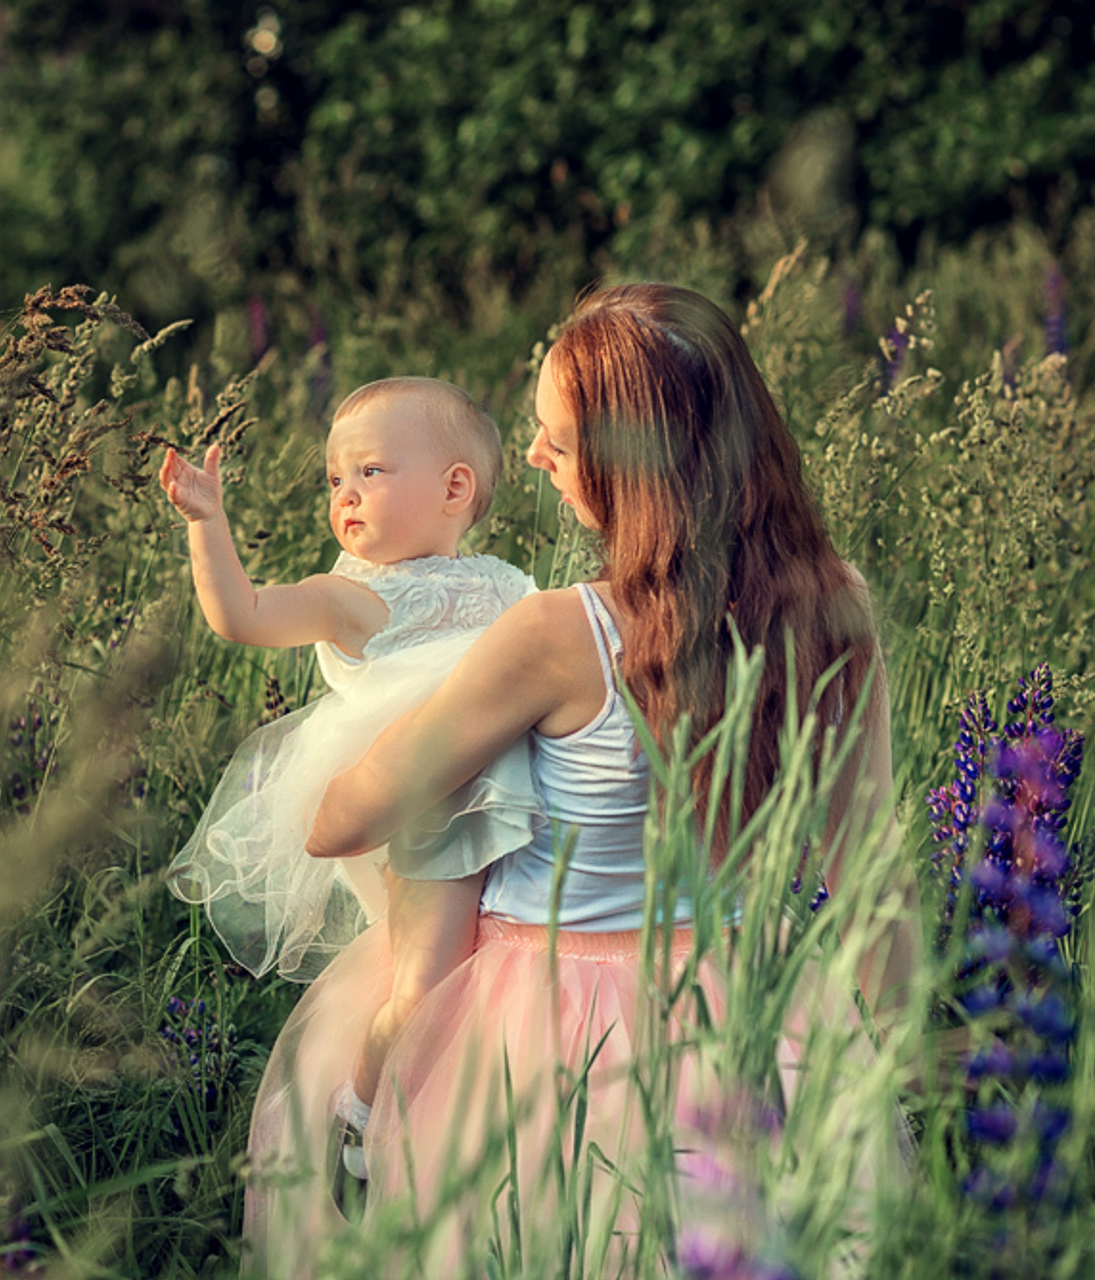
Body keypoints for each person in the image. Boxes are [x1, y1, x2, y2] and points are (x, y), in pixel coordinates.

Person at [247, 285, 917, 1276]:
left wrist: (392, 705)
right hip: (750, 1008)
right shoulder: (835, 602)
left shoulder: (560, 632)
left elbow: (342, 819)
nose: (531, 460)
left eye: (555, 442)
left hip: (542, 1032)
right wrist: (892, 1075)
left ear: (630, 460)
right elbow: (867, 867)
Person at [160, 376, 539, 1218]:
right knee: (428, 980)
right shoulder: (353, 597)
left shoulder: (510, 585)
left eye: (368, 471)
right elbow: (245, 615)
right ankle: (362, 1119)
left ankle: (483, 1139)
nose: (345, 496)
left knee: (516, 973)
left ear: (455, 489)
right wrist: (206, 524)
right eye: (335, 481)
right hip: (428, 816)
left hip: (518, 803)